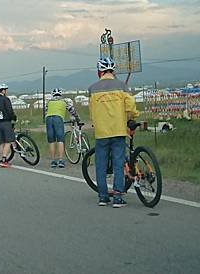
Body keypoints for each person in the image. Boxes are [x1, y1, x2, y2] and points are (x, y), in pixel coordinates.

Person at [88, 57, 139, 208]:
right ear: (113, 71)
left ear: (100, 72)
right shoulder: (122, 86)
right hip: (118, 130)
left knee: (101, 165)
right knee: (118, 164)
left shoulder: (92, 89)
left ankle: (103, 197)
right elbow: (130, 107)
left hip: (101, 132)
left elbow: (91, 112)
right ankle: (118, 197)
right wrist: (130, 118)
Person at [45, 87, 80, 168]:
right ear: (61, 94)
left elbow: (46, 111)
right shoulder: (64, 101)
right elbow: (72, 111)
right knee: (60, 139)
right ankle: (61, 160)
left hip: (48, 119)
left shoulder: (49, 102)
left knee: (51, 140)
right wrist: (78, 119)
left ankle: (53, 161)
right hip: (58, 118)